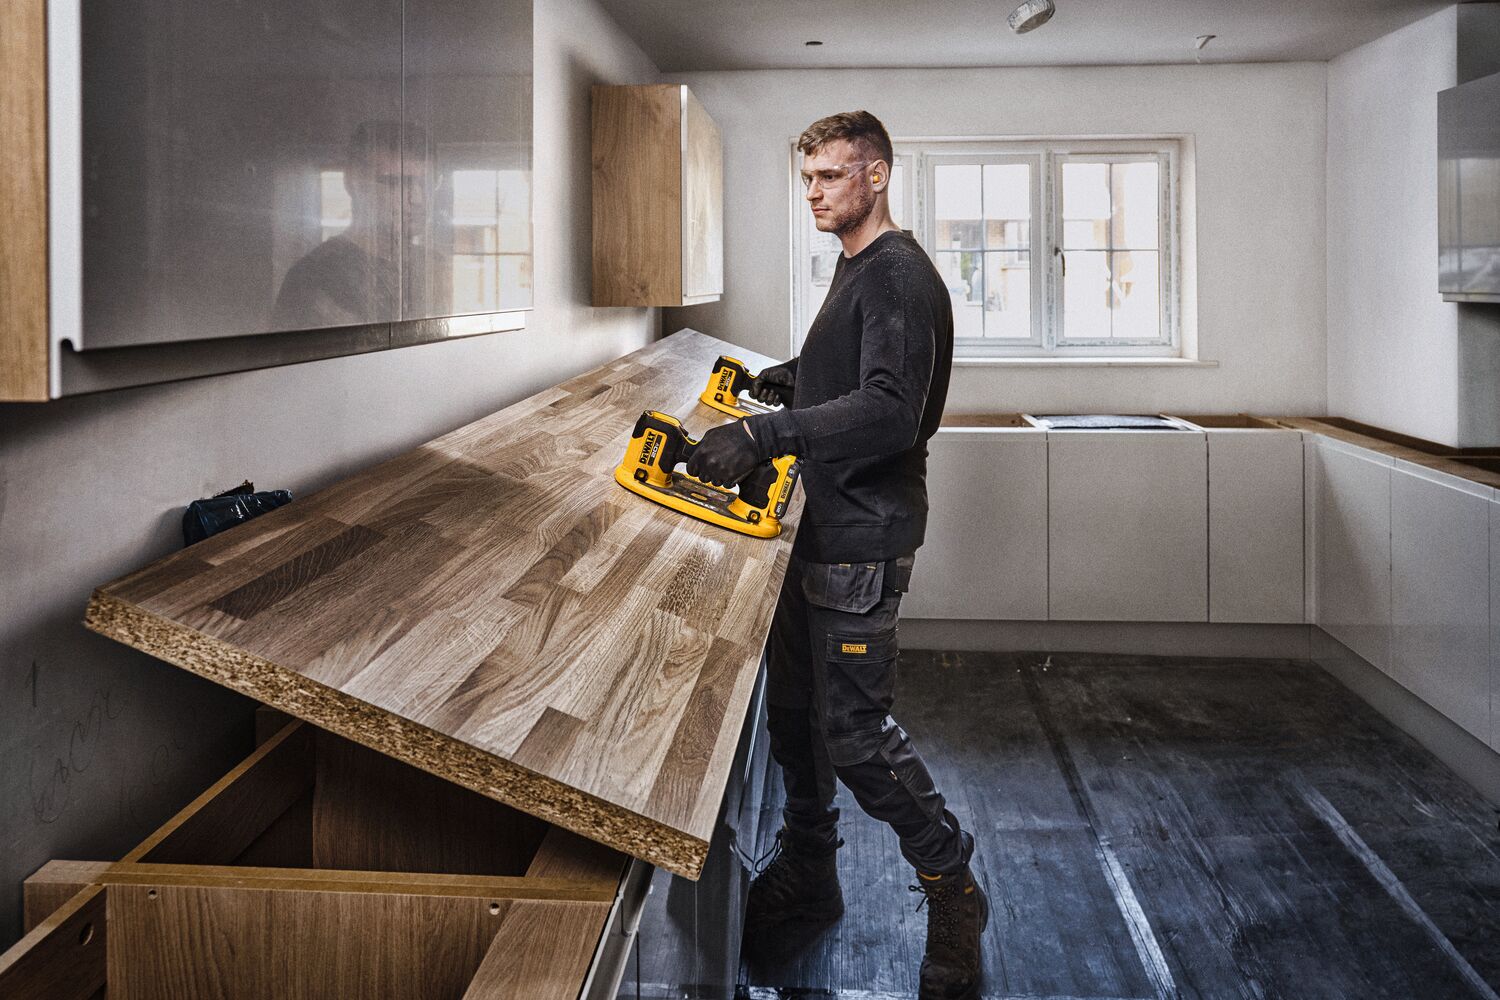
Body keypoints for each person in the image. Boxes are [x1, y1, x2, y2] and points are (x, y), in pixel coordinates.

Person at [685, 110, 983, 1000]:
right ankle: (811, 872)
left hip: (861, 539)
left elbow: (893, 408)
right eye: (807, 177)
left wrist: (770, 429)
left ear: (879, 175)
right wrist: (797, 377)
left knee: (855, 738)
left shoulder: (894, 273)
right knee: (798, 722)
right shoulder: (858, 269)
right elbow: (856, 378)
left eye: (831, 176)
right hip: (816, 535)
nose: (813, 192)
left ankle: (952, 889)